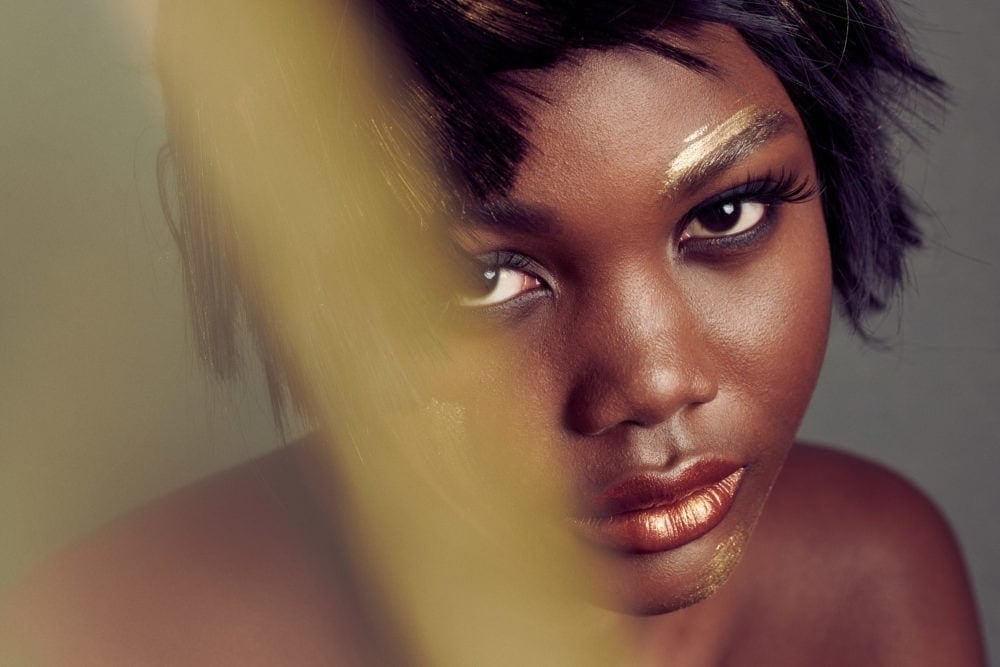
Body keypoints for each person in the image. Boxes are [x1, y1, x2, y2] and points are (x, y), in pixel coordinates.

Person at [3, 0, 986, 664]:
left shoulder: (865, 583)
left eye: (726, 215)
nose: (651, 382)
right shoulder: (100, 637)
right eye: (478, 276)